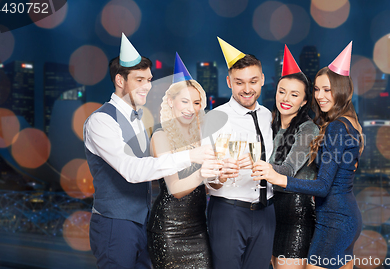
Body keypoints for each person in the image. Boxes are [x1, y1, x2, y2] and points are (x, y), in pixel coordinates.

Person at [83, 34, 216, 269]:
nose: (147, 86)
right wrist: (189, 157)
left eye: (149, 79)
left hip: (146, 223)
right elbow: (131, 170)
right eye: (139, 79)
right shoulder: (100, 121)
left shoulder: (141, 118)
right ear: (120, 81)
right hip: (115, 223)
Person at [252, 42, 364, 269]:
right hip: (342, 217)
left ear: (342, 91)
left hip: (334, 220)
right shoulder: (348, 124)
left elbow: (323, 186)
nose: (320, 96)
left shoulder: (336, 127)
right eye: (317, 89)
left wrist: (278, 178)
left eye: (328, 89)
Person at [147, 53, 227, 269]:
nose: (190, 108)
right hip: (169, 230)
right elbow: (175, 188)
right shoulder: (160, 136)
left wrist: (221, 176)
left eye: (196, 102)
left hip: (199, 228)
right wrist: (202, 173)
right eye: (184, 101)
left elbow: (211, 187)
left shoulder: (202, 137)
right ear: (171, 102)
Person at [204, 37, 275, 269]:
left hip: (267, 211)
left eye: (253, 81)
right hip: (228, 211)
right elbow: (205, 179)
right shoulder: (214, 118)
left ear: (262, 79)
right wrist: (220, 177)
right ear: (229, 82)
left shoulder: (268, 115)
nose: (247, 89)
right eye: (239, 82)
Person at [269, 45, 319, 269]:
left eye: (294, 94)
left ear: (305, 101)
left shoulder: (308, 129)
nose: (286, 98)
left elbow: (288, 170)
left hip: (296, 212)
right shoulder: (268, 123)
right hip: (269, 212)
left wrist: (251, 166)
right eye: (282, 91)